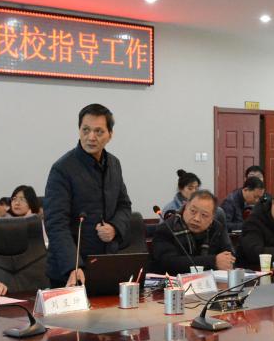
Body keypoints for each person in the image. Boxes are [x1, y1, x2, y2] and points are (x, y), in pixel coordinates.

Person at [44, 103, 132, 286]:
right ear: (79, 130)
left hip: (106, 261)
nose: (91, 137)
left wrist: (115, 228)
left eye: (99, 131)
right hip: (71, 269)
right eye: (86, 130)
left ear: (110, 135)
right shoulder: (62, 169)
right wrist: (73, 265)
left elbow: (124, 205)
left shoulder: (114, 164)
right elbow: (56, 223)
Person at [150, 190, 235, 275]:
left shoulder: (216, 228)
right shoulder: (166, 229)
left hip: (210, 281)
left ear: (212, 218)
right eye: (193, 211)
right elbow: (168, 263)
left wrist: (226, 262)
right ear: (185, 207)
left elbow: (229, 257)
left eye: (204, 215)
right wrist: (213, 261)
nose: (196, 219)